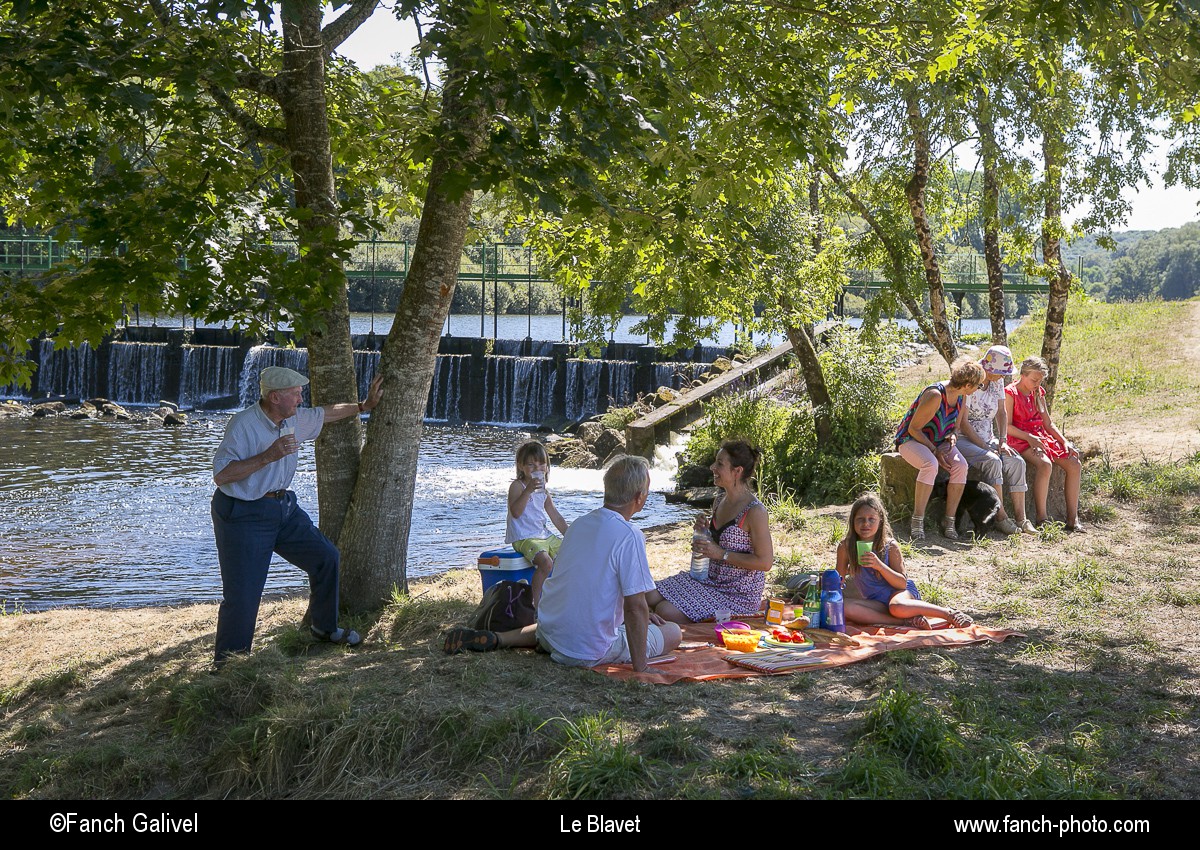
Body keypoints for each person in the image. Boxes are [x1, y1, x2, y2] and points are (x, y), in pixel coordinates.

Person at [443, 455, 682, 673]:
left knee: (561, 624)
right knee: (672, 632)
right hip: (588, 651)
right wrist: (642, 668)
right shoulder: (629, 535)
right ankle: (613, 650)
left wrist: (638, 617)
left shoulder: (579, 524)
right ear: (639, 497)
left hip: (549, 632)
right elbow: (635, 607)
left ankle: (501, 639)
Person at [211, 365, 383, 666]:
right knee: (243, 595)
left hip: (283, 509)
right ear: (275, 397)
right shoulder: (243, 426)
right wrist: (269, 455)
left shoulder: (294, 418)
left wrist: (362, 406)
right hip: (243, 514)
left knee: (326, 557)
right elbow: (222, 475)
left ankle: (324, 628)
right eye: (296, 394)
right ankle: (229, 666)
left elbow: (326, 413)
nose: (301, 399)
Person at [645, 440, 774, 623]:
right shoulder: (720, 500)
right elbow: (717, 544)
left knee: (665, 611)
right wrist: (704, 532)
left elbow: (765, 562)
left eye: (720, 464)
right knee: (647, 595)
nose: (712, 467)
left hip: (735, 596)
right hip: (708, 581)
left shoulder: (755, 511)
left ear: (737, 471)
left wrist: (721, 554)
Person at [837, 493, 974, 629]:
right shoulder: (846, 547)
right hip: (875, 601)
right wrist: (826, 582)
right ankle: (905, 622)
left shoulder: (889, 546)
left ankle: (949, 613)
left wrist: (879, 566)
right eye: (860, 519)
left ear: (880, 522)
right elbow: (838, 582)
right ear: (852, 521)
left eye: (871, 519)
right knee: (842, 606)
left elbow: (901, 584)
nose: (865, 523)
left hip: (901, 596)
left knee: (897, 607)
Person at [894, 356, 986, 541]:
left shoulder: (961, 397)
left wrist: (952, 435)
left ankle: (949, 520)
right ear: (968, 384)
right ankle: (917, 520)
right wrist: (935, 451)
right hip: (911, 439)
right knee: (930, 464)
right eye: (979, 385)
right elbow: (914, 428)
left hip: (938, 441)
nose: (979, 389)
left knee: (961, 466)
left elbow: (956, 427)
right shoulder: (936, 395)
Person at [958, 345, 1034, 535]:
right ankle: (1000, 517)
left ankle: (1021, 519)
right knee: (992, 461)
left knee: (1016, 461)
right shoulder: (971, 381)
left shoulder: (997, 382)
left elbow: (1001, 412)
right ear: (989, 369)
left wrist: (1002, 440)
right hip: (964, 438)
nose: (1004, 377)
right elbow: (964, 424)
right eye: (1001, 373)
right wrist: (985, 447)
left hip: (988, 437)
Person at [1005, 356, 1084, 531]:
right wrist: (1029, 438)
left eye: (1040, 380)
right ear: (1023, 375)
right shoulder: (1010, 393)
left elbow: (1047, 423)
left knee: (1074, 463)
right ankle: (1042, 518)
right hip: (1021, 437)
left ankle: (1073, 519)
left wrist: (1064, 441)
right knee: (1045, 464)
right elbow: (1007, 426)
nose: (1037, 384)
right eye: (1034, 380)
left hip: (1040, 436)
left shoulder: (1037, 392)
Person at [507, 440, 568, 606]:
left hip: (543, 535)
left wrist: (570, 536)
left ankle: (559, 597)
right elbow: (516, 512)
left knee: (570, 555)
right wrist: (528, 491)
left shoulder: (544, 491)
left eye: (542, 464)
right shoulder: (517, 486)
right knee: (546, 562)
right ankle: (534, 603)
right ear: (520, 466)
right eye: (531, 465)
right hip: (523, 537)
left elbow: (555, 516)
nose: (537, 469)